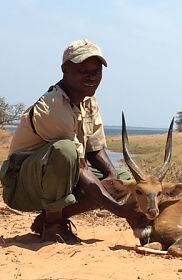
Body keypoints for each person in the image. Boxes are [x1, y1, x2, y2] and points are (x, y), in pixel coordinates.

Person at [0, 39, 134, 244]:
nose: (91, 76)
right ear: (65, 69)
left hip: (59, 176)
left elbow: (94, 148)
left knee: (123, 181)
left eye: (96, 71)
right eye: (82, 70)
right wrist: (119, 210)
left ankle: (51, 217)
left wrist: (112, 175)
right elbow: (79, 165)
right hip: (22, 186)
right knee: (65, 150)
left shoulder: (88, 100)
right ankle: (53, 228)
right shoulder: (53, 107)